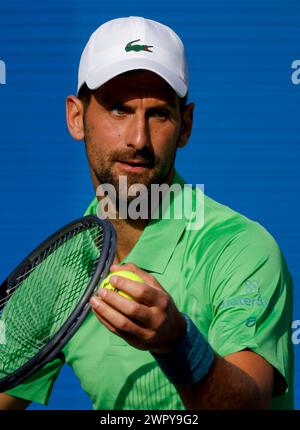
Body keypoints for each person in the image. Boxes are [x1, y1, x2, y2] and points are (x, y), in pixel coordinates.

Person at [0, 16, 294, 410]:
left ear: (185, 125)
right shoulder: (60, 270)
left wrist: (177, 343)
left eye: (158, 114)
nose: (138, 139)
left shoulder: (241, 249)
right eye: (119, 110)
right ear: (76, 117)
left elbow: (251, 406)